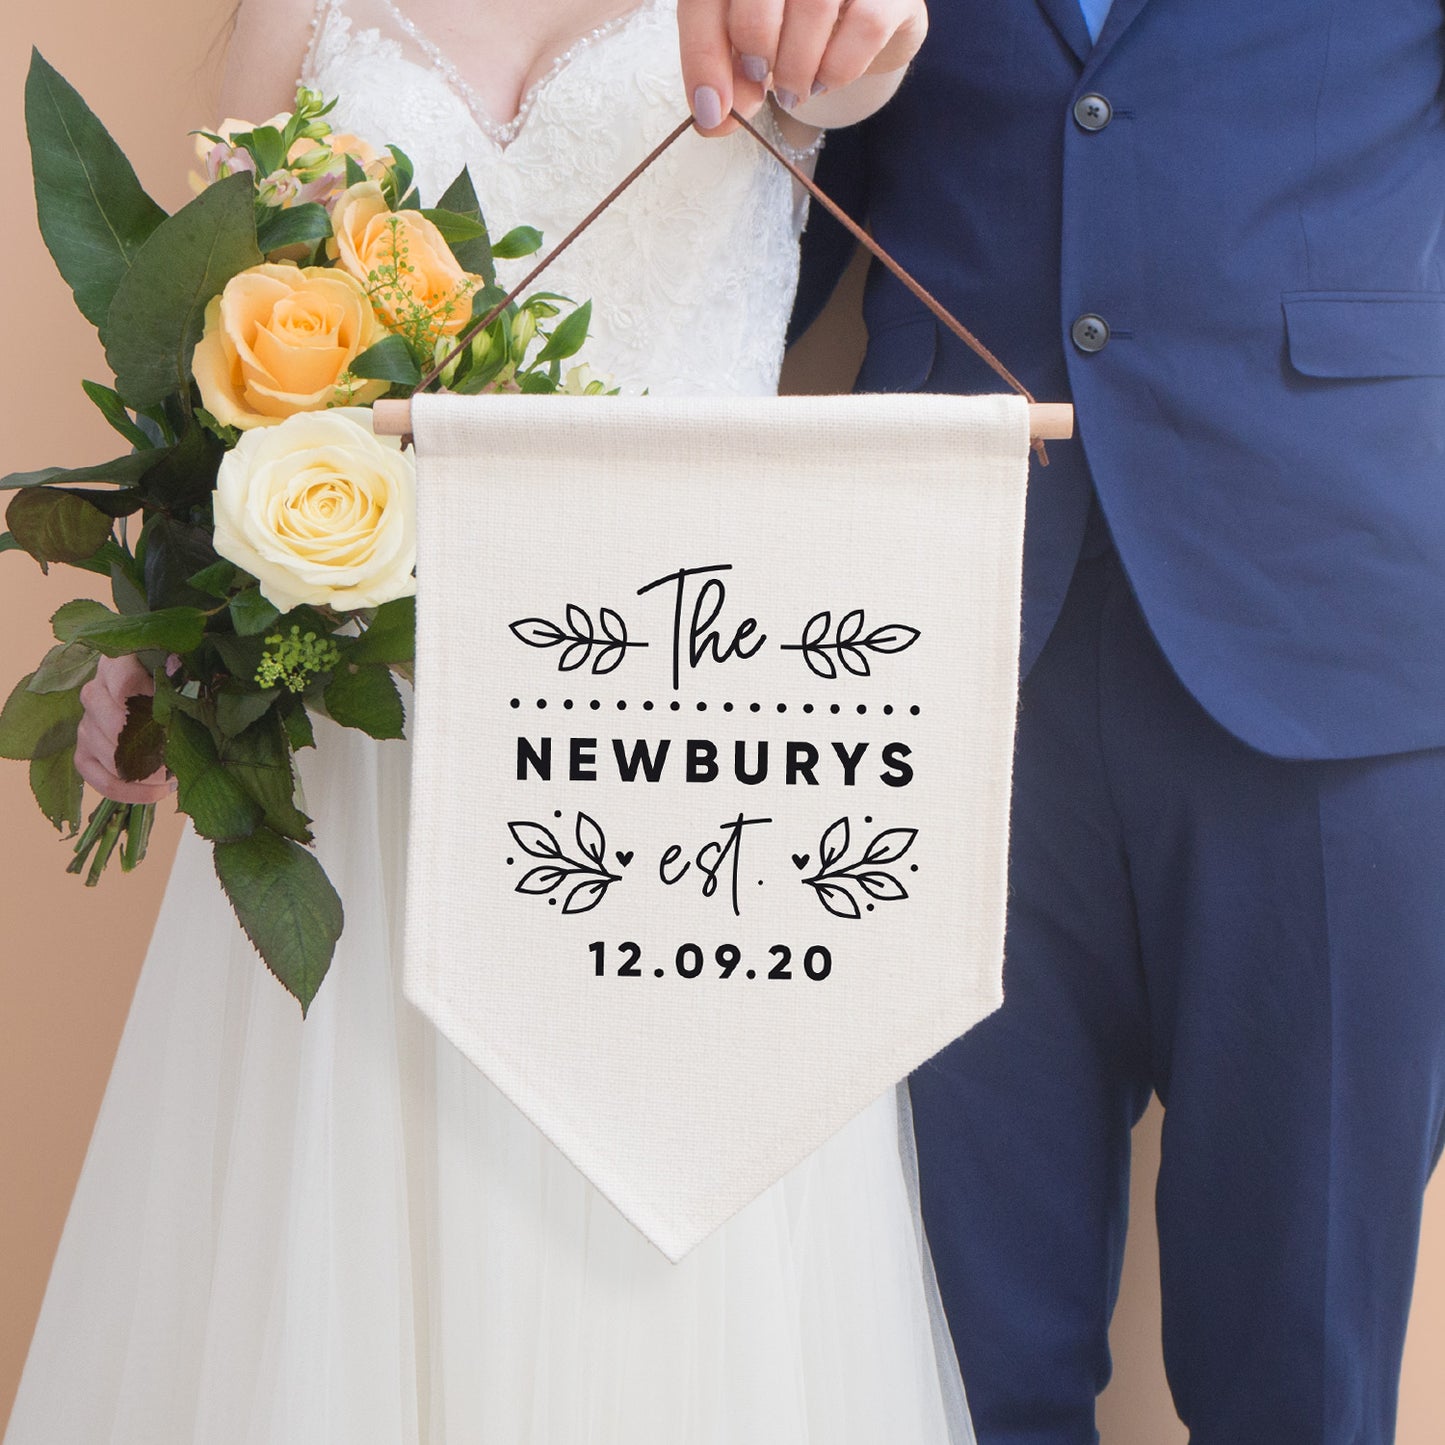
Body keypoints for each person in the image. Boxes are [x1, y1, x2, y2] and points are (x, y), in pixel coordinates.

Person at [4, 2, 980, 1442]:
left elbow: (867, 47)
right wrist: (155, 646)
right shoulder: (302, 18)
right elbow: (222, 399)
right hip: (367, 762)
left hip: (668, 754)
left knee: (647, 1293)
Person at [749, 0, 1445, 1441]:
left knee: (1301, 1373)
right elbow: (773, 217)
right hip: (934, 647)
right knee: (950, 1361)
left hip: (1335, 630)